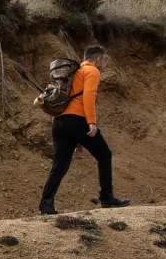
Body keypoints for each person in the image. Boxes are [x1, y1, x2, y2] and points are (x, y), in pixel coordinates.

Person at [37, 45, 130, 215]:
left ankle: (46, 205)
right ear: (99, 59)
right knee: (104, 154)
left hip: (58, 122)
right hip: (77, 119)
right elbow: (88, 96)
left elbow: (65, 99)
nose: (103, 64)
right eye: (104, 61)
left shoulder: (74, 73)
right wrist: (91, 123)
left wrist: (75, 136)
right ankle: (107, 198)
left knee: (60, 165)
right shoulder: (91, 71)